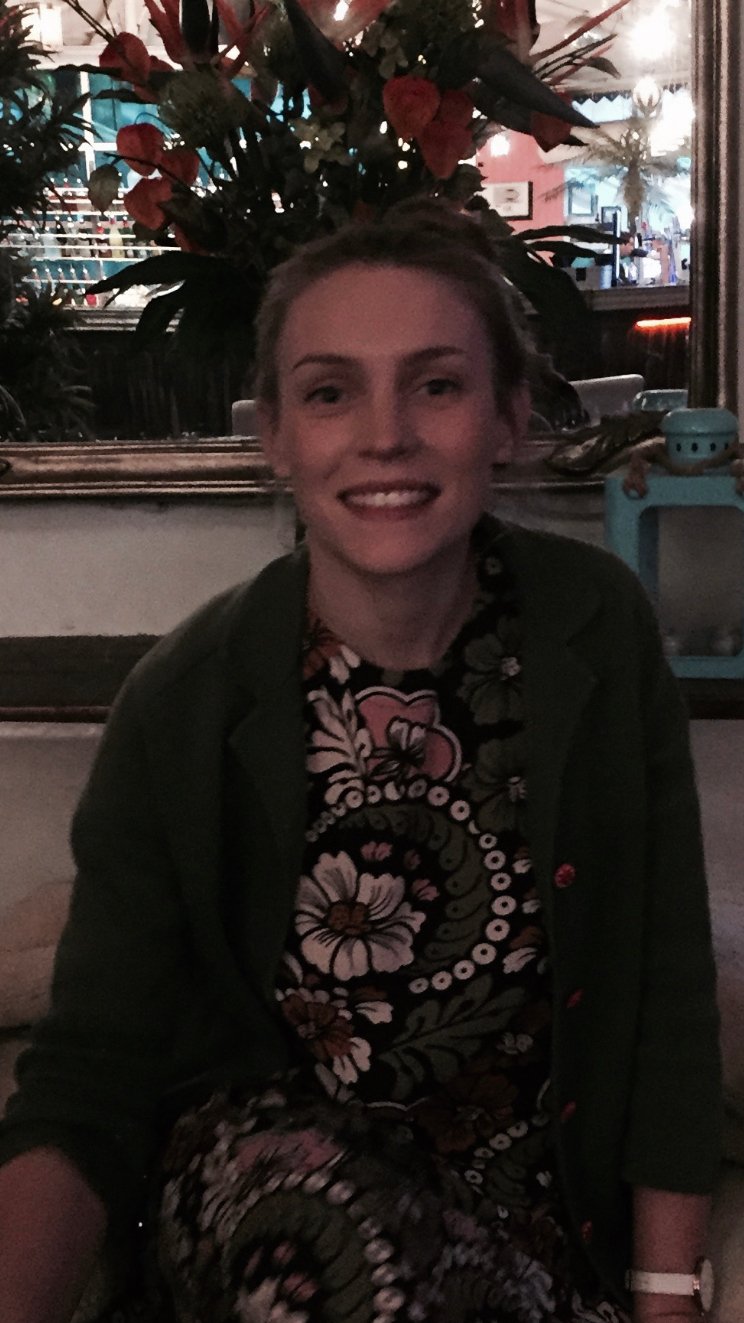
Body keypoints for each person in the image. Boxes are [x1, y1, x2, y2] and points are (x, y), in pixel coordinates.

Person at [0, 201, 721, 1323]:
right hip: (268, 1210)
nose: (385, 436)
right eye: (331, 392)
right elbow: (89, 1075)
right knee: (320, 1222)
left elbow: (666, 988)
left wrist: (669, 1294)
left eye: (436, 384)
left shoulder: (596, 629)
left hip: (520, 1237)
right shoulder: (185, 699)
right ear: (277, 435)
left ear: (509, 417)